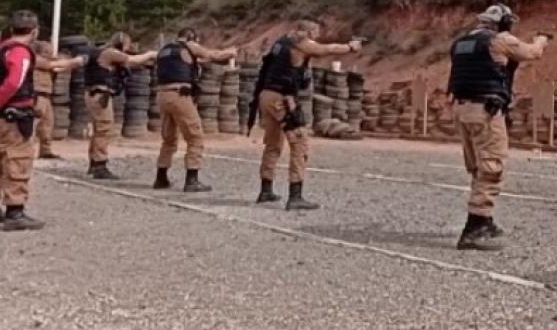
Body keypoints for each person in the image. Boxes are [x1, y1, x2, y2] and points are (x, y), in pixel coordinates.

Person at [447, 4, 549, 251]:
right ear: (503, 22)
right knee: (492, 166)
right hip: (485, 111)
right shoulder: (499, 40)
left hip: (461, 110)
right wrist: (542, 40)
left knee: (477, 167)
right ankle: (476, 227)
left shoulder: (461, 43)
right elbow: (532, 53)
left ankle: (485, 218)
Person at [254, 19, 362, 210]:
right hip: (282, 98)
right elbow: (326, 50)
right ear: (307, 31)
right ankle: (295, 196)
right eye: (315, 31)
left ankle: (265, 190)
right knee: (300, 143)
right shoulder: (301, 42)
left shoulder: (282, 41)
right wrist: (349, 47)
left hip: (266, 95)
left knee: (273, 144)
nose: (317, 35)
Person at [0, 11, 46, 230]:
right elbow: (14, 83)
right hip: (12, 116)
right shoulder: (20, 52)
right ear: (34, 31)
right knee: (18, 159)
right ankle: (15, 212)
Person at [153, 28, 237, 192]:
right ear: (191, 37)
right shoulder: (189, 46)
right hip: (180, 95)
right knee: (195, 137)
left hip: (163, 95)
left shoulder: (164, 50)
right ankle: (192, 180)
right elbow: (213, 56)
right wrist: (230, 52)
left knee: (169, 139)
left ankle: (160, 178)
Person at [83, 32, 156, 180]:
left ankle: (94, 163)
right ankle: (100, 165)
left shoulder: (97, 51)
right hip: (99, 95)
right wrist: (150, 54)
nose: (128, 48)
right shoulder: (110, 53)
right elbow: (133, 60)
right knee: (104, 129)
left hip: (92, 94)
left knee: (99, 129)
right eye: (127, 45)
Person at [31, 40, 85, 159]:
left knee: (47, 124)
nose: (50, 53)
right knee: (33, 125)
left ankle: (45, 150)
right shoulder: (35, 59)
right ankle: (26, 150)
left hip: (45, 96)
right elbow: (53, 66)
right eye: (47, 51)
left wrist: (73, 64)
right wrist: (75, 61)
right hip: (37, 95)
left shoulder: (47, 61)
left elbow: (59, 68)